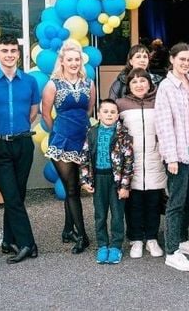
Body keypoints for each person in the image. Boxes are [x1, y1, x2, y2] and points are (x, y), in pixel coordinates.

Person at [0, 34, 39, 263]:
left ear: (19, 54)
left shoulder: (29, 81)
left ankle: (8, 240)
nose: (9, 55)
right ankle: (27, 244)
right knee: (12, 196)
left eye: (13, 51)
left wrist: (20, 129)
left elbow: (33, 111)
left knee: (18, 194)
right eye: (4, 51)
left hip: (24, 143)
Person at [155, 42, 189, 271]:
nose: (186, 63)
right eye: (182, 59)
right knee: (176, 202)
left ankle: (181, 239)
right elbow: (164, 123)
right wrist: (171, 158)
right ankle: (171, 251)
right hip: (178, 152)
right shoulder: (167, 87)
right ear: (172, 59)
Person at [42, 41, 96, 254]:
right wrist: (58, 131)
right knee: (72, 189)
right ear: (62, 61)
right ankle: (82, 236)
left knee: (73, 186)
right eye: (70, 59)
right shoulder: (52, 84)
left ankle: (67, 230)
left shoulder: (88, 82)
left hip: (82, 140)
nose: (74, 63)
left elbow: (89, 110)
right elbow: (46, 114)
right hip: (62, 143)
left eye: (77, 59)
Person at [116, 69, 166, 258]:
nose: (139, 85)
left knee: (153, 200)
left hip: (154, 159)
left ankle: (152, 238)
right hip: (132, 162)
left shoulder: (159, 103)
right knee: (134, 201)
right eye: (134, 82)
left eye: (143, 81)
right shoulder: (121, 105)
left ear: (150, 83)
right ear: (128, 86)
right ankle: (136, 239)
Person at [80, 99, 134, 264]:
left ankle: (116, 246)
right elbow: (85, 157)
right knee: (100, 214)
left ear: (118, 115)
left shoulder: (123, 135)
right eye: (105, 111)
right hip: (98, 179)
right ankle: (102, 245)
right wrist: (85, 179)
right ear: (98, 114)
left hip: (116, 181)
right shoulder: (91, 133)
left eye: (113, 112)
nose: (109, 114)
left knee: (117, 214)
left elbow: (129, 161)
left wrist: (125, 185)